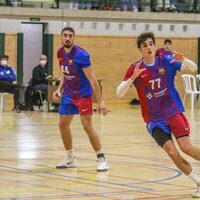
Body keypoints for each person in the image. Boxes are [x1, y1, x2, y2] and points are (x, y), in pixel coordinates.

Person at [116, 32, 200, 198]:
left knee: (186, 148)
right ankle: (198, 182)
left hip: (173, 112)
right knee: (172, 152)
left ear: (154, 46)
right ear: (140, 49)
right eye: (144, 45)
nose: (148, 47)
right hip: (154, 120)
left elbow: (194, 68)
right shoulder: (136, 68)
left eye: (150, 44)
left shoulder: (166, 61)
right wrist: (132, 78)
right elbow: (119, 93)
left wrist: (183, 60)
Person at [53, 27, 109, 172]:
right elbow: (65, 74)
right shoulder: (60, 53)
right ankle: (70, 158)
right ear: (61, 37)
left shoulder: (81, 55)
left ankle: (102, 158)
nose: (67, 38)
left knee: (86, 125)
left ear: (74, 38)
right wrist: (59, 89)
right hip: (68, 94)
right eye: (65, 35)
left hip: (83, 94)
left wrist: (101, 101)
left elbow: (92, 78)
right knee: (62, 124)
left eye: (70, 36)